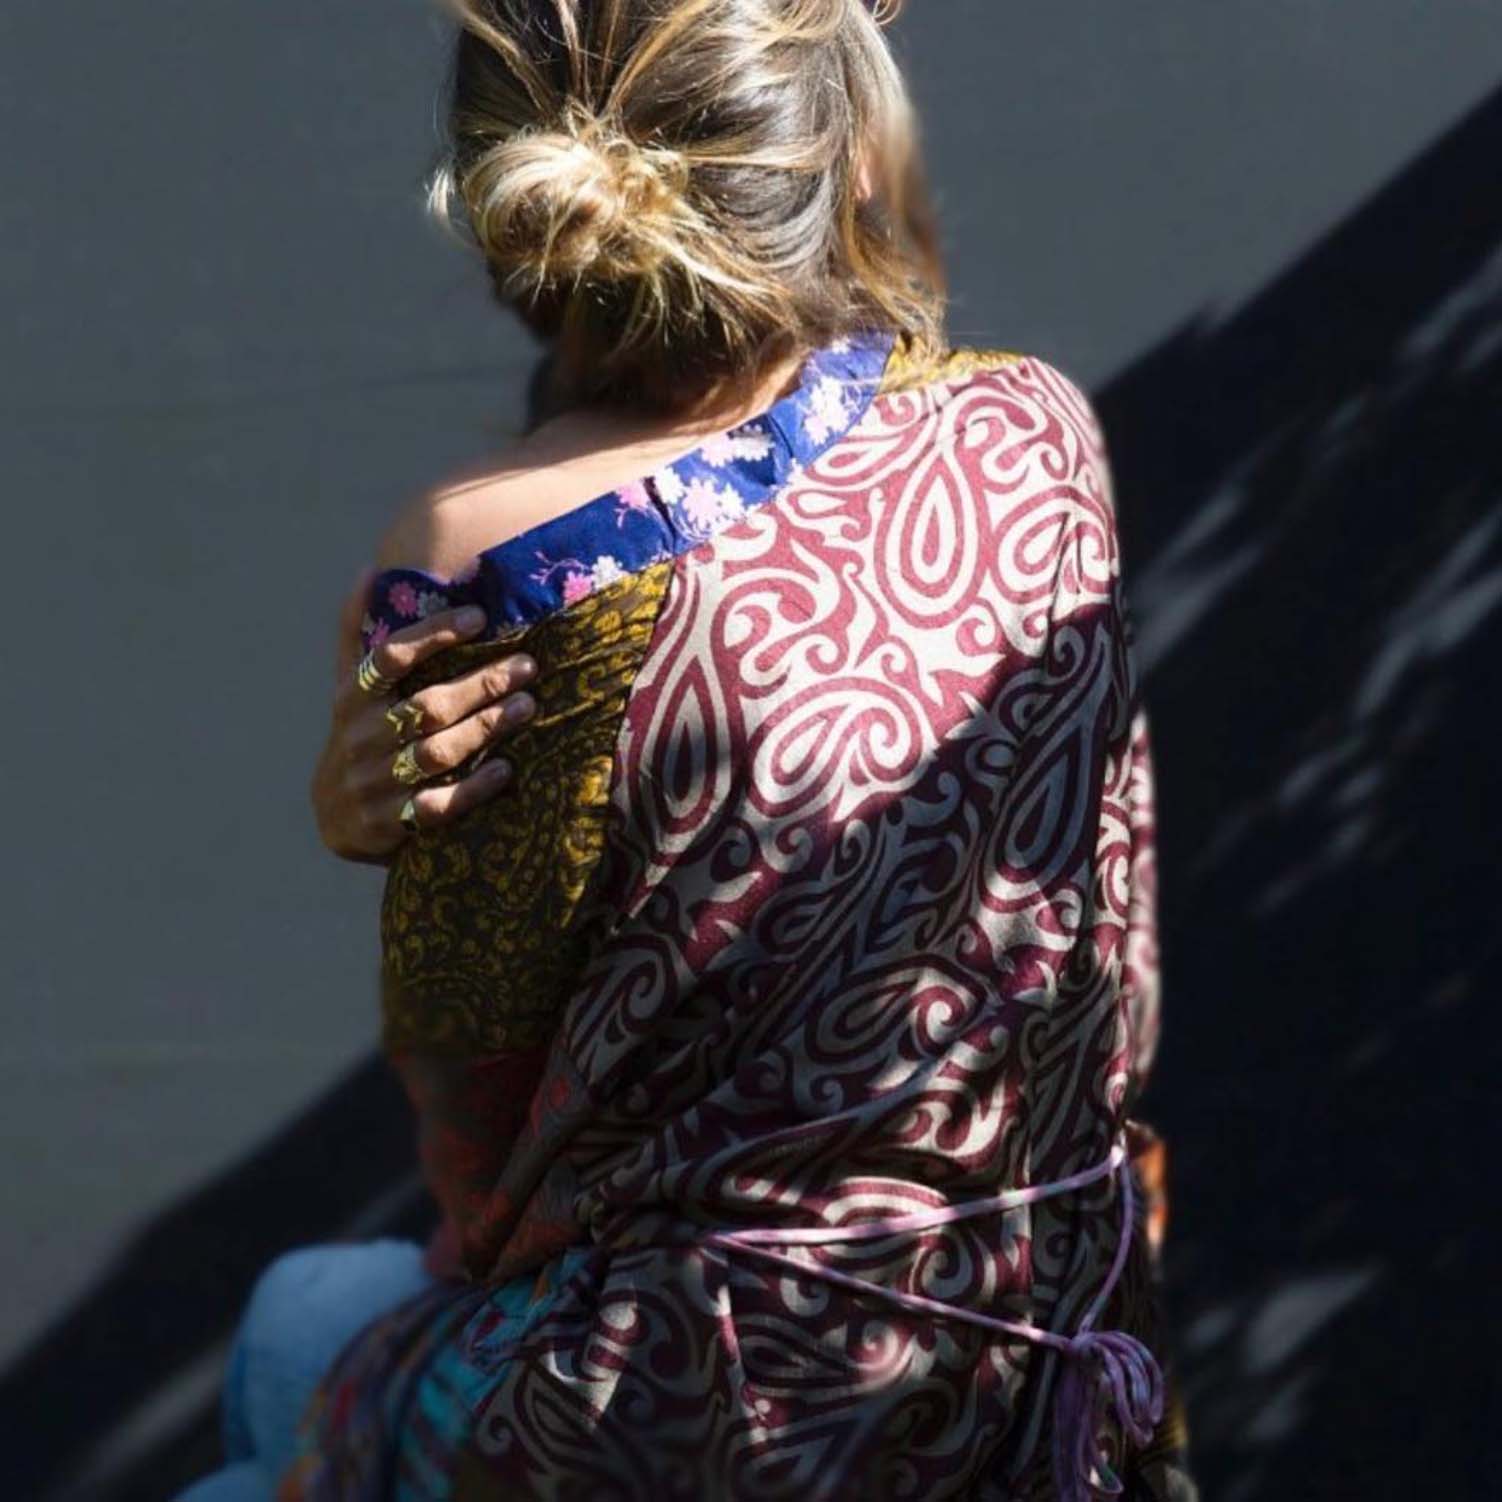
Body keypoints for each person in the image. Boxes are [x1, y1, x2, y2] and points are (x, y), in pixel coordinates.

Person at [178, 1, 1199, 1497]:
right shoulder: (1033, 430)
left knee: (288, 1338)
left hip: (714, 1401)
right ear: (842, 154)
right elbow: (1114, 946)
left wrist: (367, 825)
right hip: (1048, 1328)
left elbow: (474, 1150)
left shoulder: (490, 556)